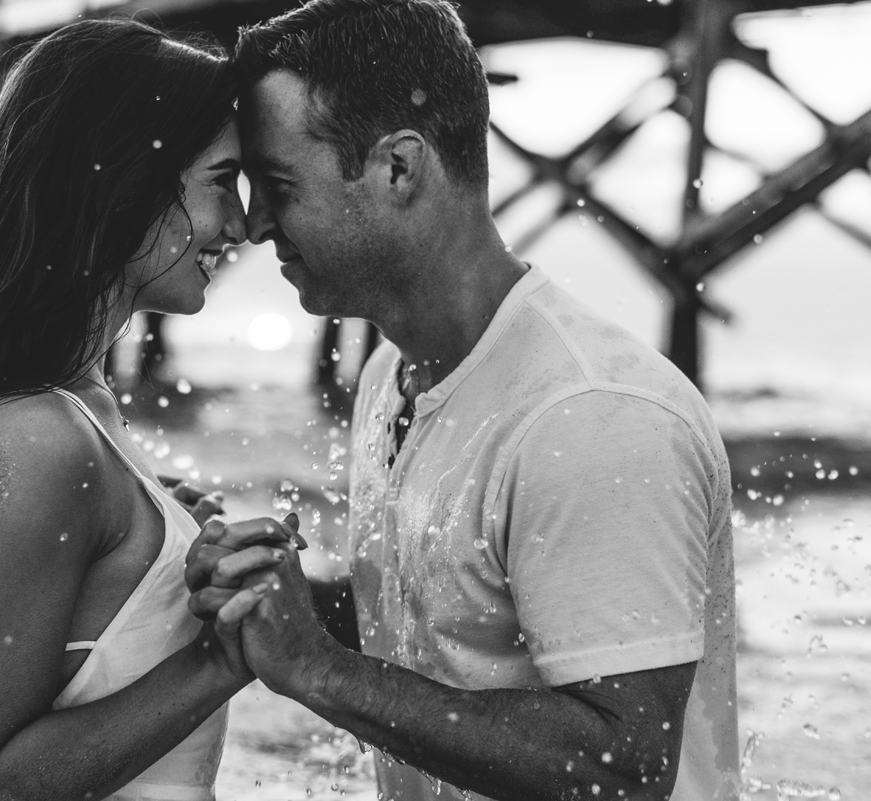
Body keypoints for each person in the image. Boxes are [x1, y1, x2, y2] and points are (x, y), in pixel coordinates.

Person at [187, 0, 740, 799]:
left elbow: (622, 766)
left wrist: (319, 670)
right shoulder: (392, 371)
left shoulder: (589, 415)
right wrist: (272, 595)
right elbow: (439, 628)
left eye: (278, 184)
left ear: (399, 169)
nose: (252, 223)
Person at [0, 20, 299, 801]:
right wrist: (224, 657)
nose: (241, 225)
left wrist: (158, 545)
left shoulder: (85, 411)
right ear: (129, 181)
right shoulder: (34, 437)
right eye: (221, 181)